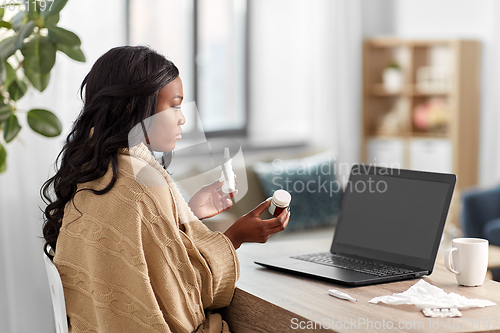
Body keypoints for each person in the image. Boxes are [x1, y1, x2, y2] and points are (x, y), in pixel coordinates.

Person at [41, 45, 290, 333]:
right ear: (136, 108)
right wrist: (235, 236)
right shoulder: (142, 183)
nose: (182, 118)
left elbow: (141, 249)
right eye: (174, 105)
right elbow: (186, 295)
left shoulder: (93, 169)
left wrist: (188, 213)